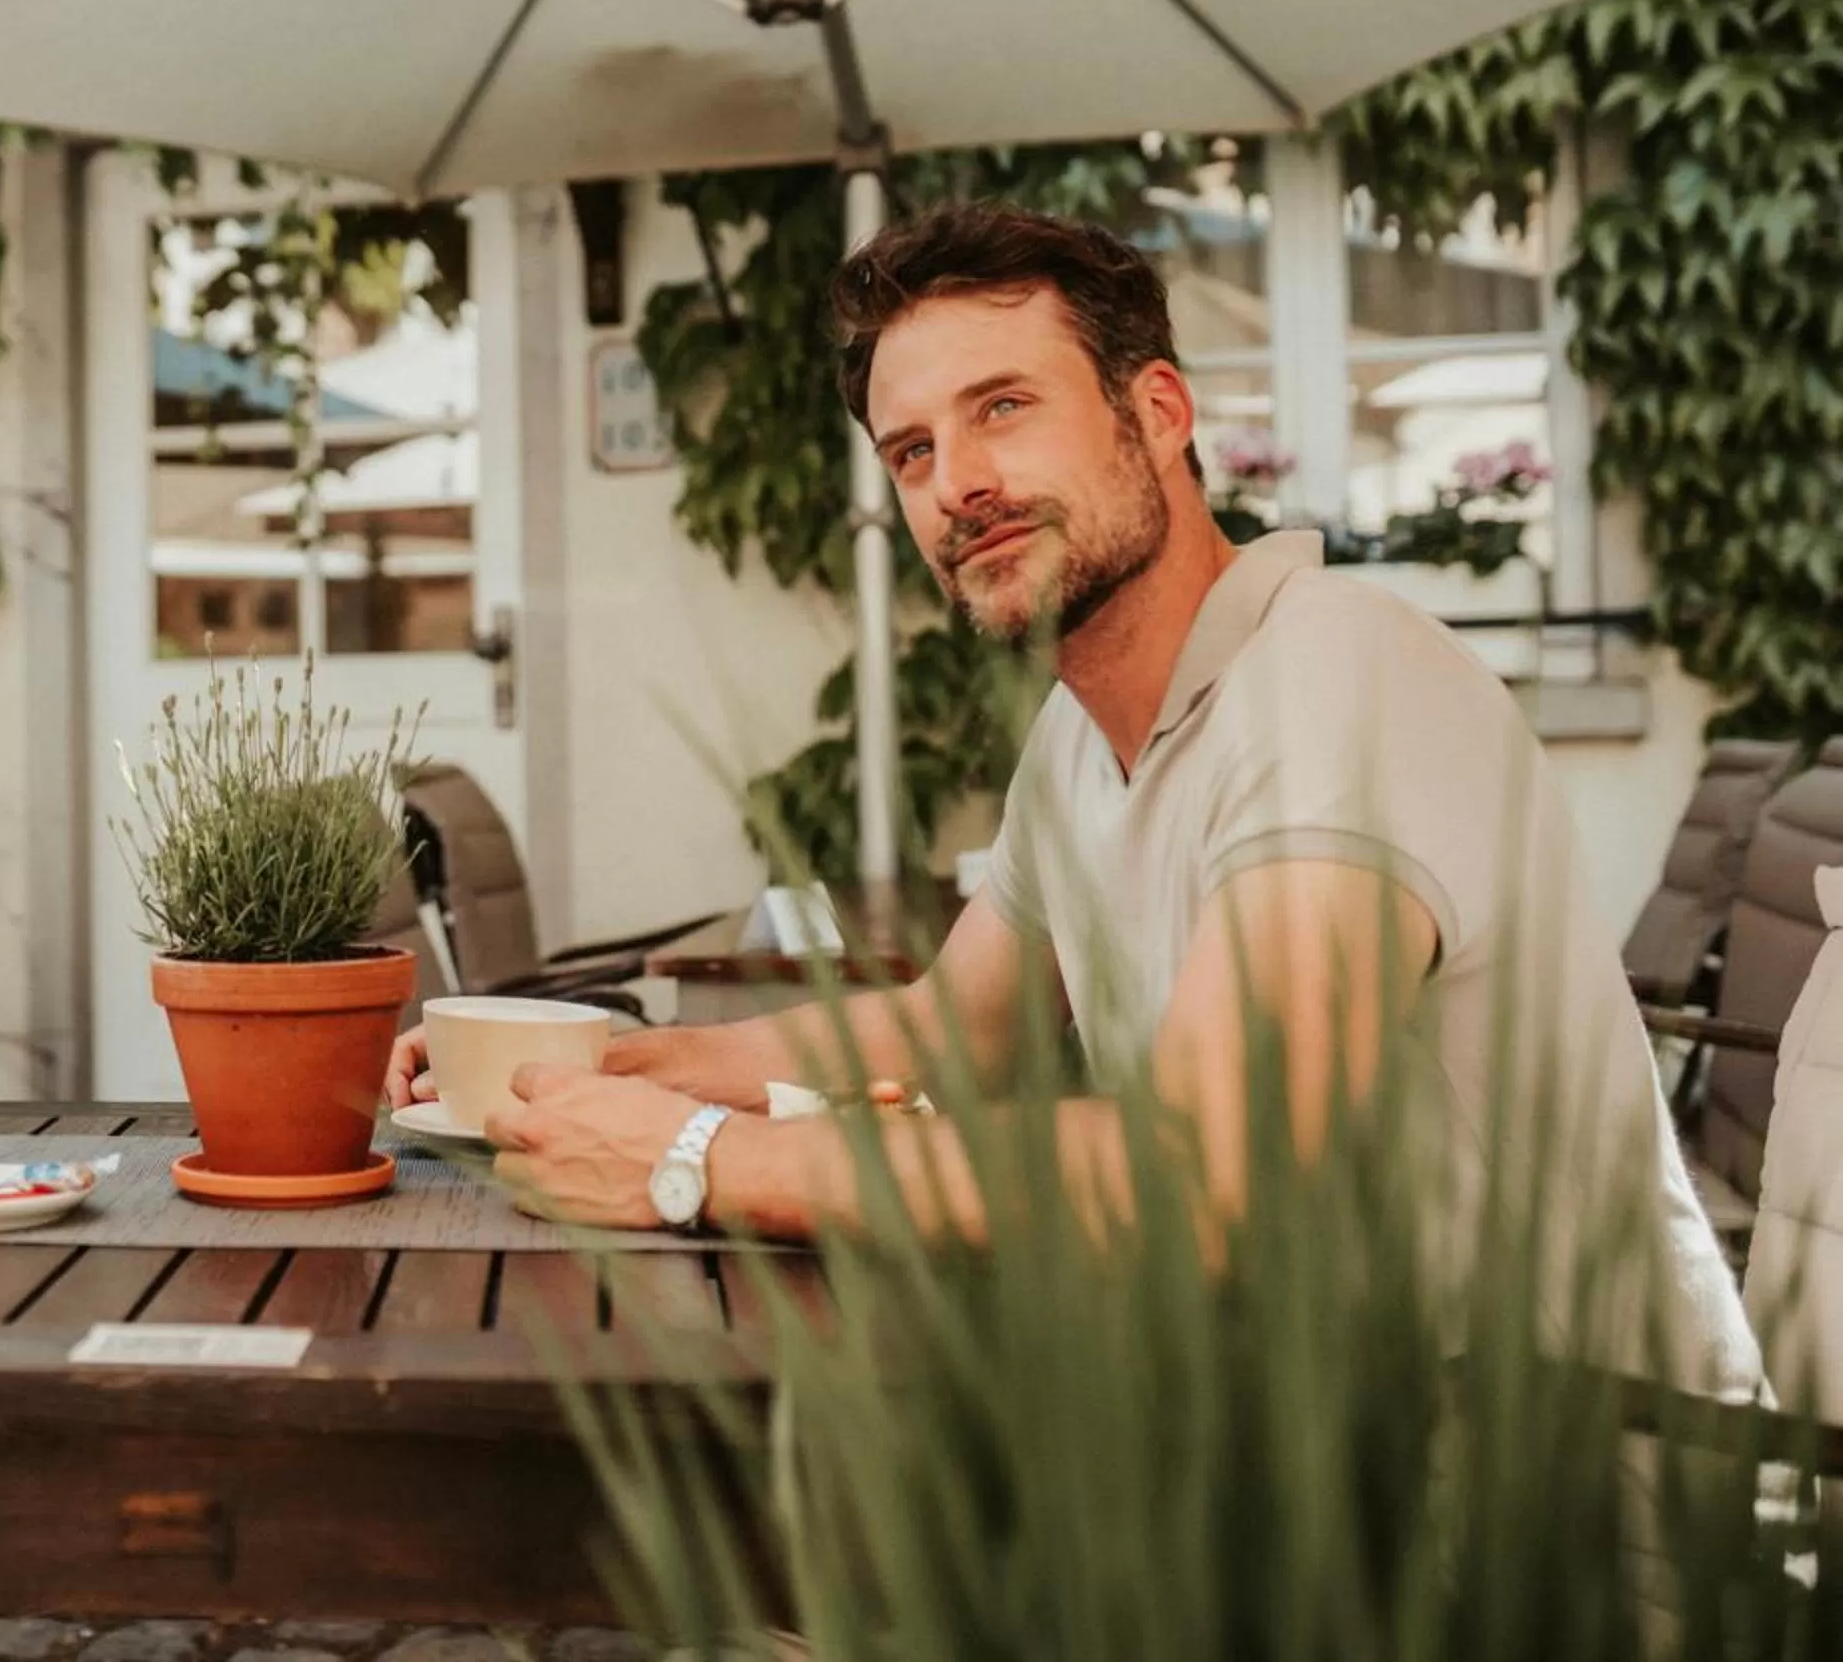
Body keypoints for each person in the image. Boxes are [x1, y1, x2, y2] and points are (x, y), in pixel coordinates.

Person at [388, 203, 1758, 1393]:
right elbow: (951, 1033)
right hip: (1290, 1445)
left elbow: (1209, 1179)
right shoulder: (1081, 734)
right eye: (911, 450)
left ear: (1157, 413)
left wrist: (690, 1158)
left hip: (1558, 1498)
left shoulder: (1337, 669)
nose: (958, 486)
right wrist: (607, 1069)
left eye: (1003, 407)